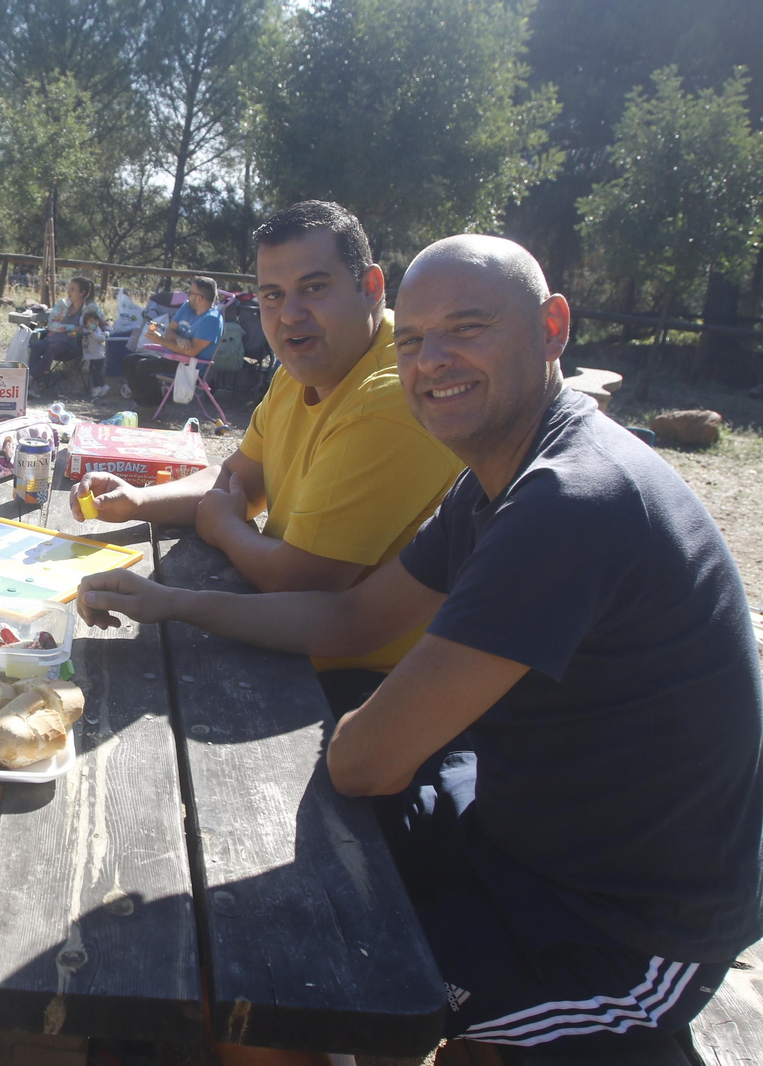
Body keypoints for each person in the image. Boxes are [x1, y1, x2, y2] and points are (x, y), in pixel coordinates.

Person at [78, 235, 763, 1058]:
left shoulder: (569, 503)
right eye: (413, 341)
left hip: (623, 919)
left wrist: (365, 729)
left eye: (467, 328)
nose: (433, 361)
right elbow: (353, 621)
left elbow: (365, 759)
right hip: (512, 827)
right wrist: (170, 604)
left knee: (269, 992)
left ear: (553, 327)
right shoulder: (497, 478)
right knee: (240, 935)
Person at [73, 203, 462, 715]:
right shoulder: (304, 364)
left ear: (371, 286)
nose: (290, 314)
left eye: (315, 287)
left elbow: (299, 582)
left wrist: (226, 531)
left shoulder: (391, 396)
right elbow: (237, 478)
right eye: (273, 296)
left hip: (355, 685)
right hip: (273, 631)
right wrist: (140, 499)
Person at [121, 276, 224, 404]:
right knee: (129, 361)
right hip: (172, 355)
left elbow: (191, 352)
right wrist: (178, 338)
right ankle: (147, 403)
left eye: (190, 293)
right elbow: (169, 332)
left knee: (143, 366)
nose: (187, 296)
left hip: (189, 366)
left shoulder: (211, 320)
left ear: (200, 298)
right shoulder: (187, 306)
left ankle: (152, 405)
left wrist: (160, 341)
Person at [27, 276, 106, 393]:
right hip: (55, 339)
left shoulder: (91, 307)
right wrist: (72, 327)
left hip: (74, 344)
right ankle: (33, 383)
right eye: (68, 288)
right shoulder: (62, 304)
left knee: (51, 348)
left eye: (72, 289)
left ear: (82, 293)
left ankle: (30, 380)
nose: (68, 291)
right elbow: (51, 324)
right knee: (37, 346)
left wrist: (65, 328)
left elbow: (97, 325)